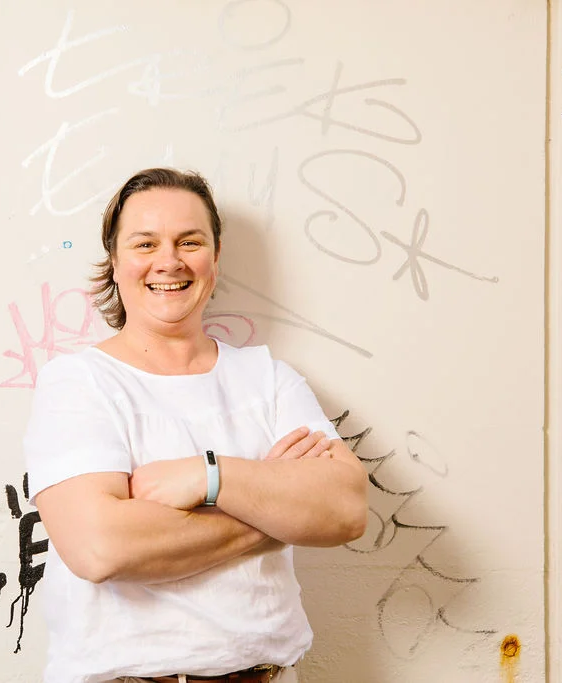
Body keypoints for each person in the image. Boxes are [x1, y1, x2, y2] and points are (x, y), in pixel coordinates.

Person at [24, 168, 368, 683]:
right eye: (145, 244)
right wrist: (275, 510)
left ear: (215, 255)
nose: (169, 261)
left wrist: (209, 477)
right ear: (114, 262)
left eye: (190, 241)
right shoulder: (77, 384)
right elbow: (101, 548)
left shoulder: (270, 379)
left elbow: (344, 511)